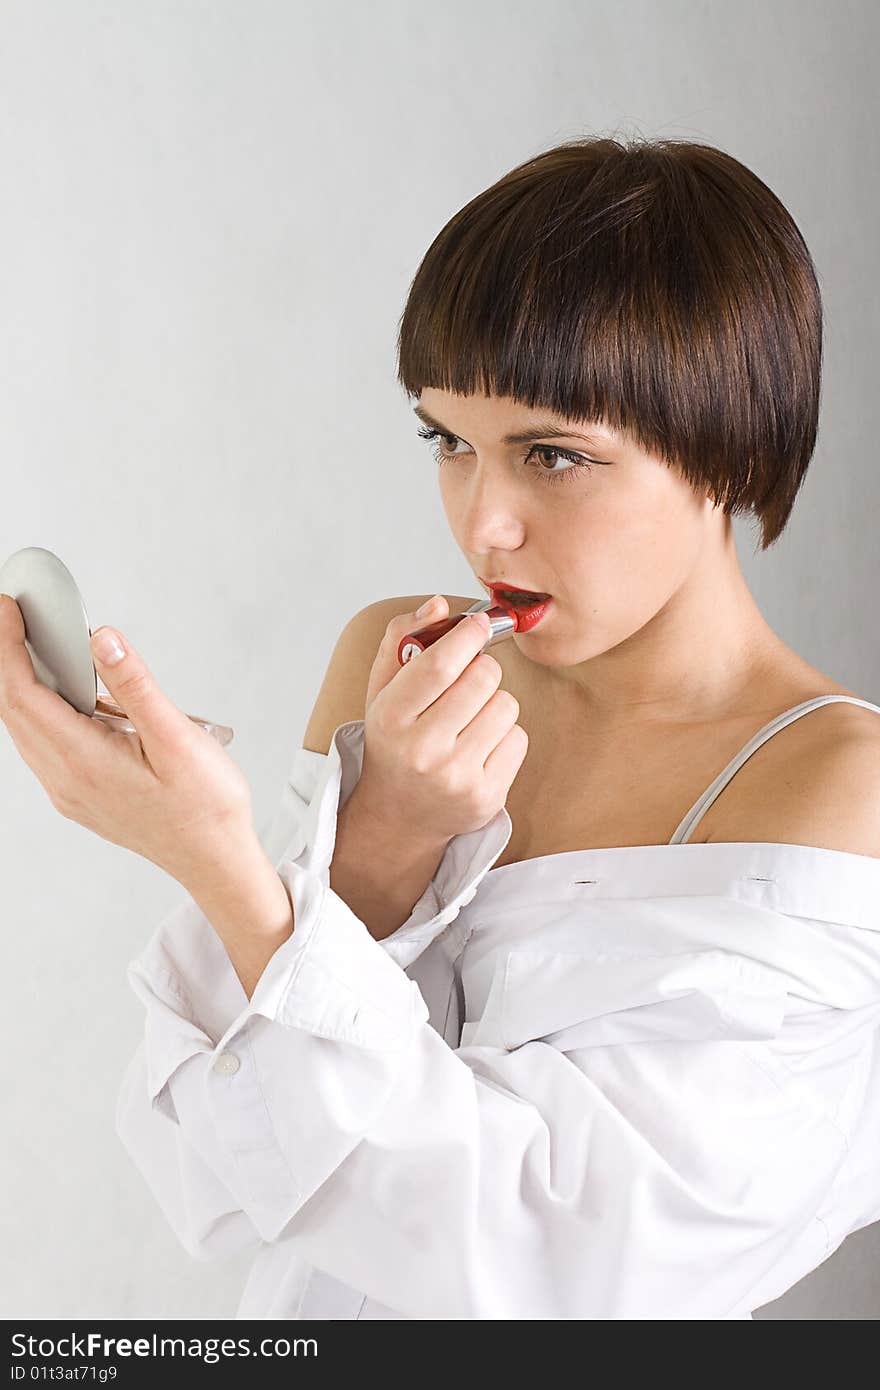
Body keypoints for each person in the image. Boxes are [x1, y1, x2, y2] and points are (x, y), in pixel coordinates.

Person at [115, 135, 880, 1319]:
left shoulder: (839, 787)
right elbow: (217, 1174)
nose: (488, 526)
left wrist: (214, 855)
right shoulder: (410, 668)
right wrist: (386, 837)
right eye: (449, 442)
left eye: (554, 456)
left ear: (727, 450)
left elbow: (562, 1265)